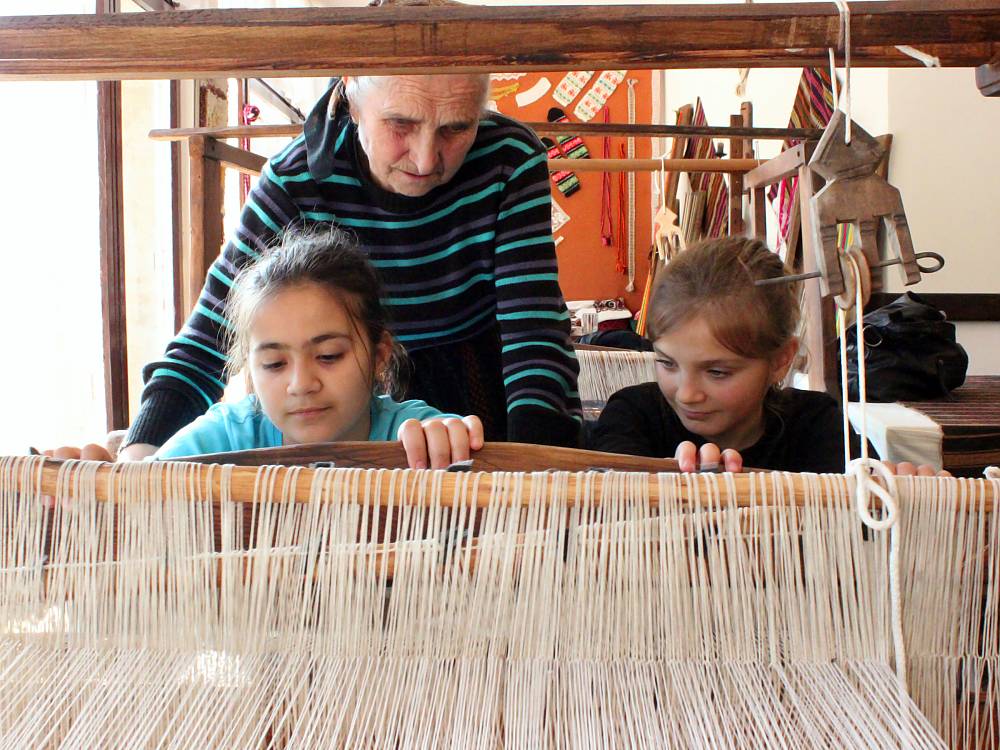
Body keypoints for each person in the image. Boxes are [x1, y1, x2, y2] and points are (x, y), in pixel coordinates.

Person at [118, 74, 581, 462]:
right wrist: (139, 454)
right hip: (351, 386)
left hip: (481, 379)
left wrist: (538, 469)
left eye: (456, 128)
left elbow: (533, 332)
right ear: (352, 102)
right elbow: (210, 336)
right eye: (400, 123)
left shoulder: (509, 158)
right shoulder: (296, 178)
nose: (425, 158)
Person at [591, 236, 947, 476]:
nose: (687, 394)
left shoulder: (818, 426)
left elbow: (865, 525)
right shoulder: (632, 417)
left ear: (779, 360)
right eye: (667, 363)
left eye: (717, 372)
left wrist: (906, 502)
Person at [150, 226, 482, 468]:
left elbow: (469, 465)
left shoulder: (414, 438)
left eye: (328, 356)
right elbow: (141, 488)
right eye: (274, 363)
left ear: (380, 355)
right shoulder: (224, 440)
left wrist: (449, 444)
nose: (301, 384)